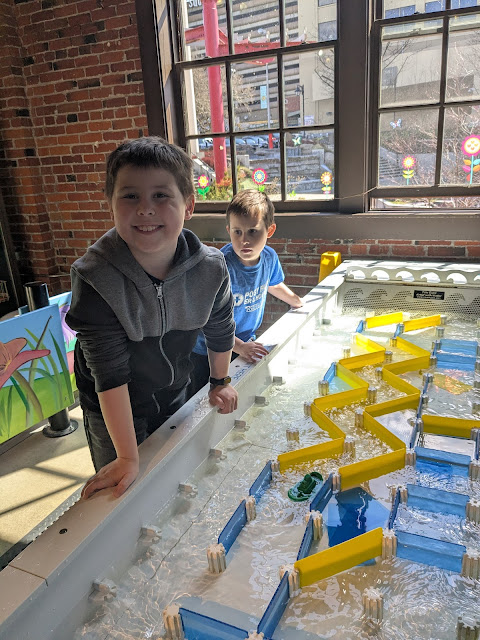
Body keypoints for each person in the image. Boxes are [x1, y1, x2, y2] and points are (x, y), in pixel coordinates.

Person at [66, 136, 238, 499]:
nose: (145, 209)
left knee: (173, 472)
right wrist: (128, 456)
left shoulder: (211, 268)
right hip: (111, 402)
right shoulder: (95, 276)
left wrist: (219, 381)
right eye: (130, 196)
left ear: (188, 205)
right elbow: (109, 372)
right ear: (111, 205)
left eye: (161, 195)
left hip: (174, 387)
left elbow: (220, 328)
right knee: (124, 486)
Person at [188, 189, 303, 396]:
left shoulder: (269, 257)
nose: (244, 240)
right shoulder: (220, 266)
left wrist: (296, 301)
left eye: (252, 231)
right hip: (209, 351)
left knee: (241, 394)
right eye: (237, 232)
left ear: (269, 230)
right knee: (206, 400)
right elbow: (207, 320)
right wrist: (240, 347)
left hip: (244, 341)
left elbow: (273, 284)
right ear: (228, 230)